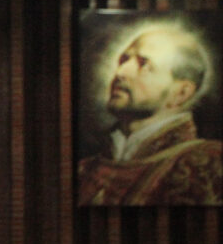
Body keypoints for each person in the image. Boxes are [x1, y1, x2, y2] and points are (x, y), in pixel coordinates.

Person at [77, 24, 221, 205]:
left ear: (180, 93)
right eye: (124, 60)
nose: (120, 72)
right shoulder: (84, 168)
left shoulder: (207, 164)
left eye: (144, 64)